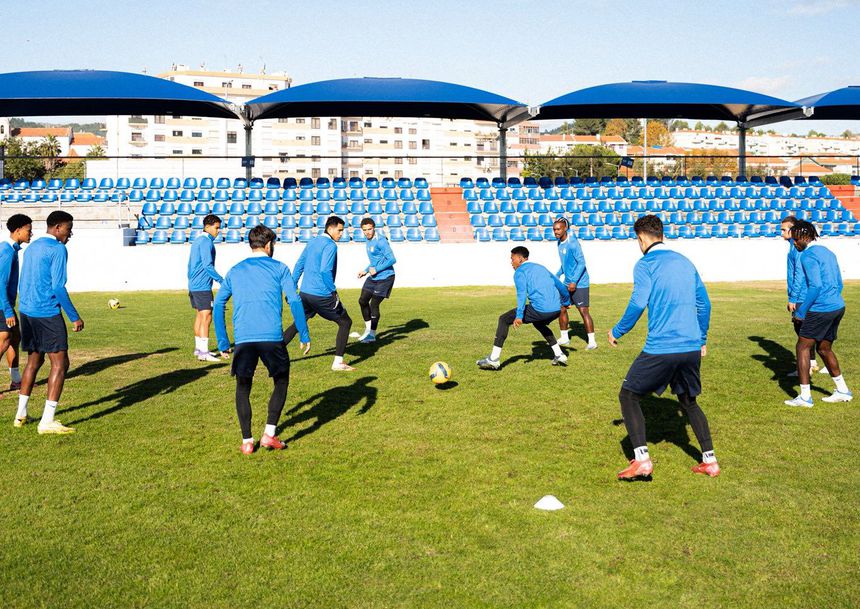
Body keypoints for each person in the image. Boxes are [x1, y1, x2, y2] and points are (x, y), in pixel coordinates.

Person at [608, 215, 718, 480]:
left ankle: (642, 459)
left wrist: (617, 330)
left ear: (642, 237)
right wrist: (701, 339)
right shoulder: (685, 261)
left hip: (662, 347)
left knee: (629, 395)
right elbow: (705, 305)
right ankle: (710, 460)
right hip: (690, 346)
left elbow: (638, 302)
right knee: (689, 401)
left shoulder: (646, 264)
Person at [214, 225, 311, 454]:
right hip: (272, 337)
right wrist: (304, 333)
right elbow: (294, 301)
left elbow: (218, 304)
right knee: (281, 380)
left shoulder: (235, 270)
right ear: (268, 245)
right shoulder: (279, 268)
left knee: (243, 386)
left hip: (244, 338)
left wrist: (222, 341)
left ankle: (247, 441)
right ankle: (269, 434)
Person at [16, 211, 84, 434]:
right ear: (56, 228)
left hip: (27, 311)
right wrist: (74, 316)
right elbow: (57, 287)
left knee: (33, 361)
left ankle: (21, 414)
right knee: (60, 364)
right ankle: (47, 421)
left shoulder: (32, 247)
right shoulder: (58, 249)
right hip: (46, 313)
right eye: (68, 228)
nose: (70, 233)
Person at [784, 220, 851, 407]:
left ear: (805, 237)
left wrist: (801, 311)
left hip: (821, 308)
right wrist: (833, 299)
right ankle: (843, 390)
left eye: (796, 239)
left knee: (802, 347)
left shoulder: (807, 256)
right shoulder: (828, 252)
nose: (794, 243)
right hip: (837, 306)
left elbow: (815, 286)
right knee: (823, 348)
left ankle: (805, 397)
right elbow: (839, 282)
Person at [476, 246, 570, 370]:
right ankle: (559, 354)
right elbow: (560, 285)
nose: (511, 263)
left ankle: (494, 359)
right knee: (539, 324)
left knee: (504, 319)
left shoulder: (519, 272)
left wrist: (519, 316)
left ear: (520, 259)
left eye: (512, 259)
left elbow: (521, 295)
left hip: (541, 309)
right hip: (556, 310)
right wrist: (566, 301)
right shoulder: (541, 267)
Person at [283, 216, 355, 371]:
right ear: (330, 228)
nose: (341, 234)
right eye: (340, 230)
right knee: (345, 322)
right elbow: (324, 270)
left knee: (299, 323)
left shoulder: (312, 241)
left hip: (305, 294)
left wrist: (292, 288)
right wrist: (333, 291)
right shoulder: (331, 245)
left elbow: (299, 265)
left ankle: (275, 355)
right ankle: (338, 363)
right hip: (321, 295)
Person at [780, 215, 824, 376]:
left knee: (802, 332)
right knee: (804, 331)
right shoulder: (793, 247)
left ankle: (807, 366)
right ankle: (812, 363)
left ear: (794, 230)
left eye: (785, 229)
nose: (782, 233)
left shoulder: (797, 249)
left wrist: (792, 298)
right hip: (800, 294)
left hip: (801, 296)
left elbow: (799, 274)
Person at [1, 214, 32, 406]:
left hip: (6, 303)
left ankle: (16, 380)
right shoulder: (6, 252)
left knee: (15, 338)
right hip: (1, 304)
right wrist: (8, 311)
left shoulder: (12, 250)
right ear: (18, 230)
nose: (31, 233)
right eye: (29, 229)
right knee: (4, 341)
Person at [553, 218, 596, 350]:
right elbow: (565, 262)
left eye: (558, 229)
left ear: (565, 228)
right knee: (562, 308)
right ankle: (564, 338)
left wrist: (574, 281)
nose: (556, 232)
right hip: (567, 283)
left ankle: (592, 342)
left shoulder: (573, 243)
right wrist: (558, 273)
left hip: (580, 283)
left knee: (583, 311)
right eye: (554, 229)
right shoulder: (559, 243)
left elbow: (582, 263)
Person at [187, 214, 224, 362]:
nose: (218, 231)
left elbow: (190, 265)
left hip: (195, 286)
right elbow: (207, 265)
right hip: (202, 287)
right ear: (207, 227)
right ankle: (204, 352)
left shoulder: (198, 241)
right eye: (216, 228)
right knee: (206, 317)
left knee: (199, 316)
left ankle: (198, 349)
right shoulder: (205, 242)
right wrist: (222, 280)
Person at [354, 217, 396, 343]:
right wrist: (366, 270)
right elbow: (375, 261)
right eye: (365, 230)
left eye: (369, 229)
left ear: (374, 228)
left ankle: (372, 334)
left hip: (386, 277)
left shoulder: (381, 241)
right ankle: (368, 330)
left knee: (374, 304)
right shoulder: (368, 241)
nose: (367, 232)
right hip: (374, 277)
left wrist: (376, 269)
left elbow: (392, 259)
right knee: (362, 301)